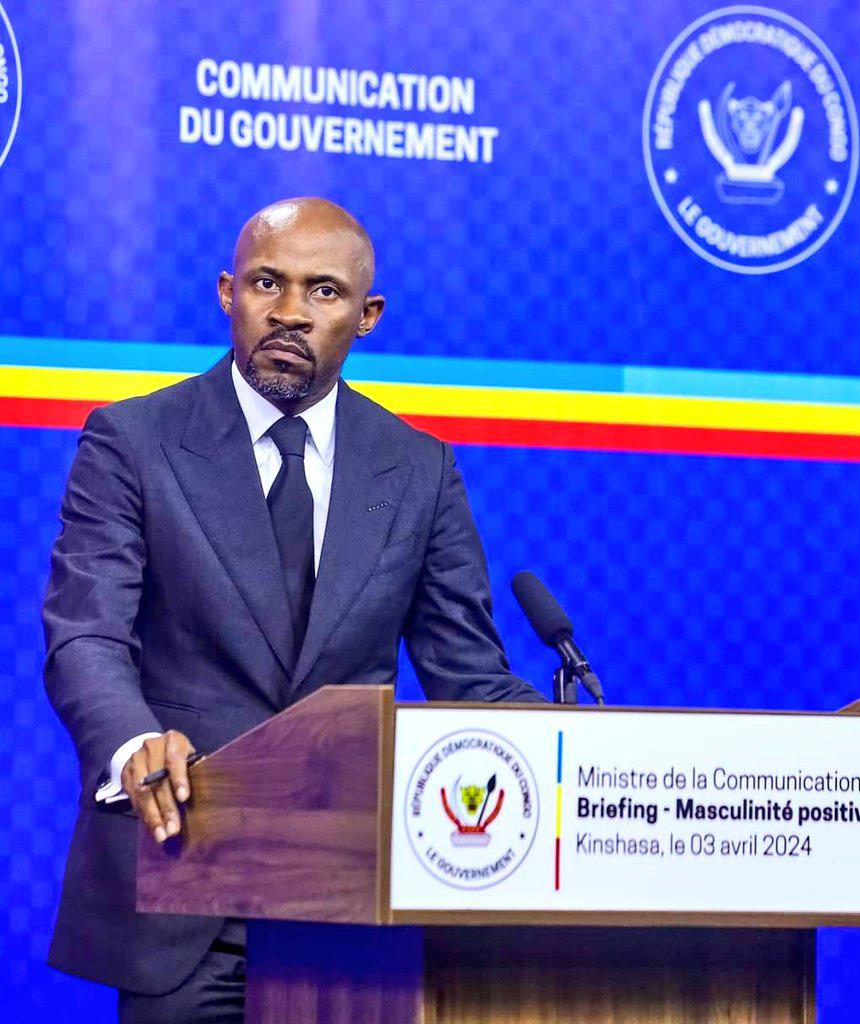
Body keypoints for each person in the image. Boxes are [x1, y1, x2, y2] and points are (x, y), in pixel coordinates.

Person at [42, 197, 543, 1022]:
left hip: (350, 909)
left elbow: (470, 679)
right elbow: (86, 635)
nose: (289, 312)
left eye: (323, 291)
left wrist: (581, 756)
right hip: (183, 889)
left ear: (366, 315)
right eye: (266, 283)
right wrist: (133, 744)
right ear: (226, 293)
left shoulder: (419, 469)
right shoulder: (132, 441)